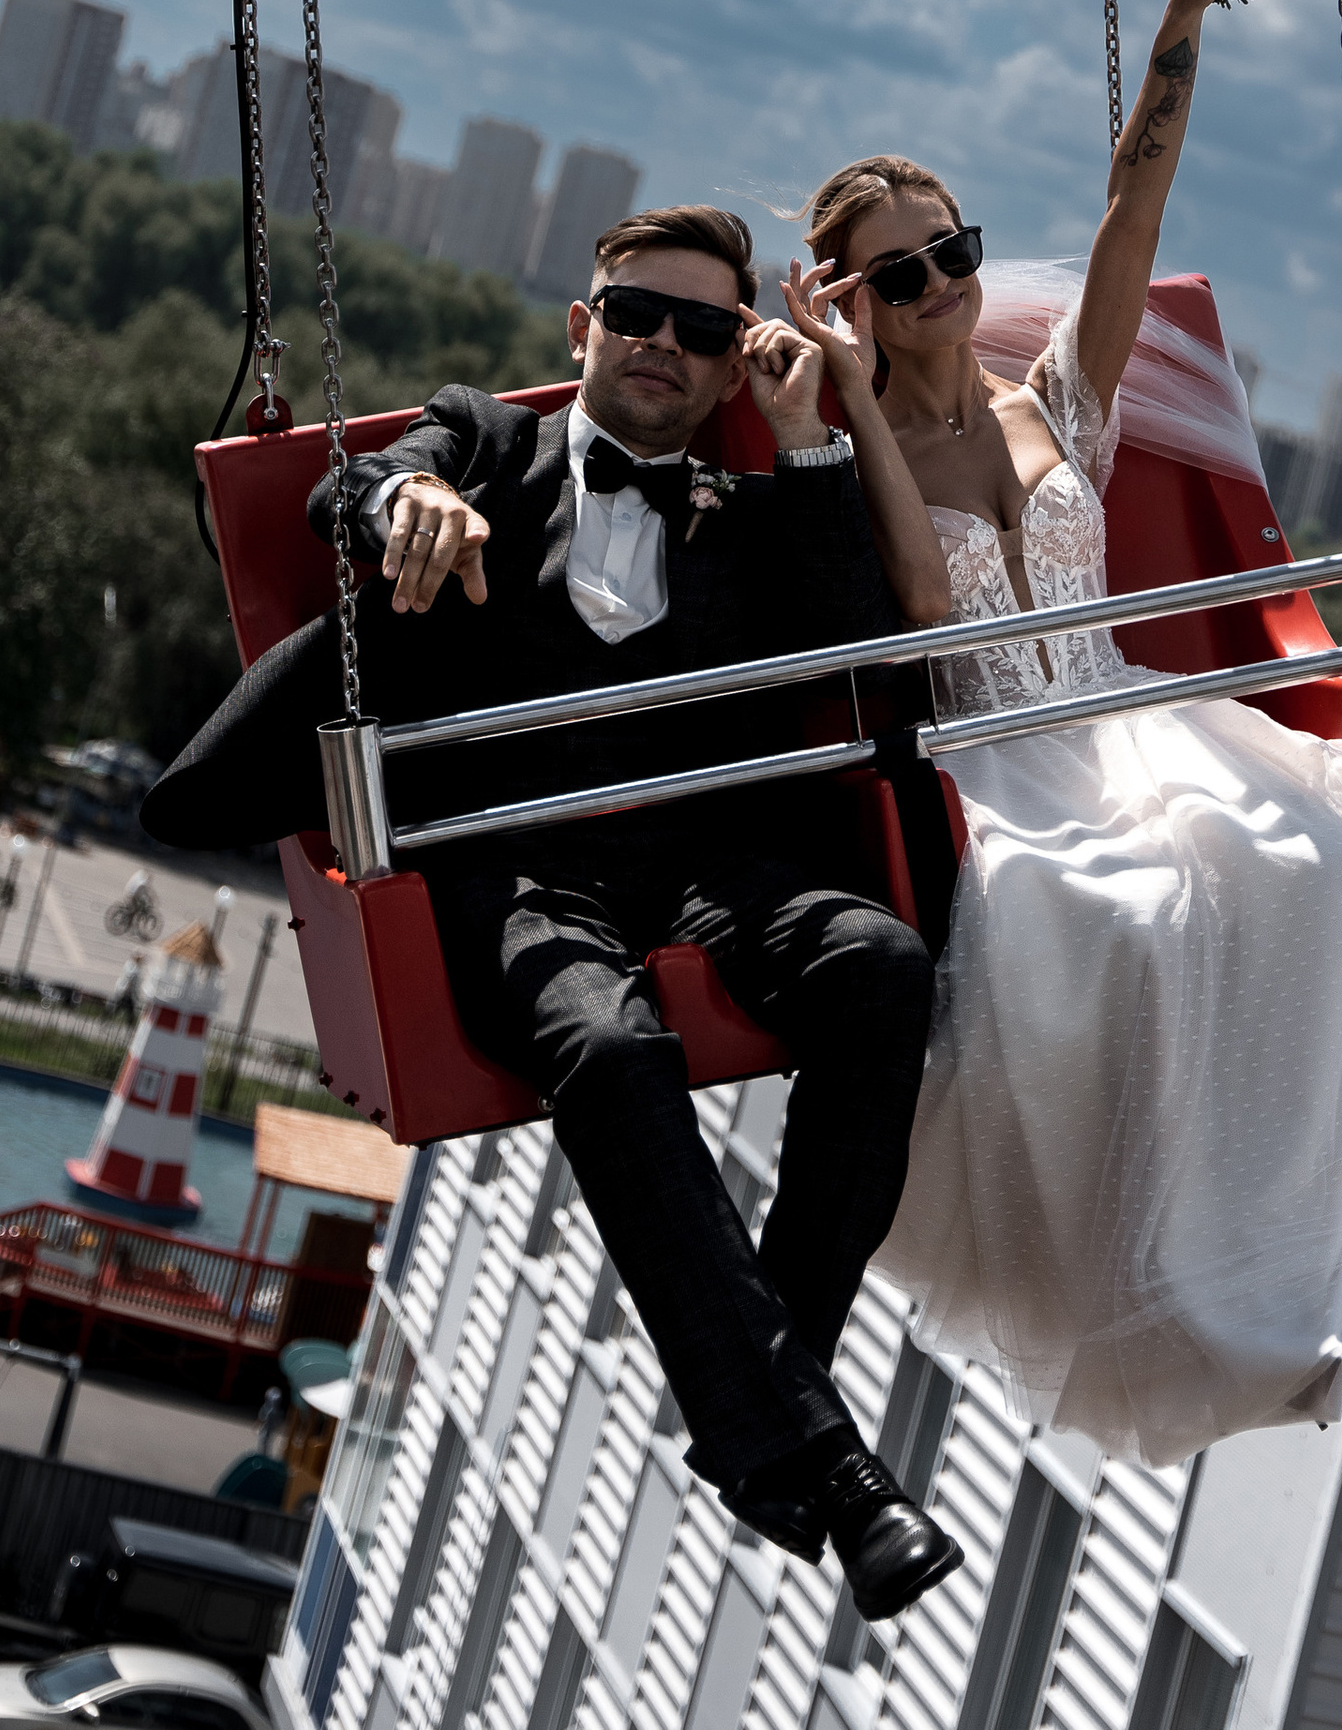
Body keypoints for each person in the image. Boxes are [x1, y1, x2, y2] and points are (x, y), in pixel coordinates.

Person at [796, 0, 1342, 1468]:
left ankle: (1279, 1270)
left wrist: (1179, 28)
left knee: (1325, 868)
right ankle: (1186, 1288)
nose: (942, 287)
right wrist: (853, 392)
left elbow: (1127, 218)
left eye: (952, 254)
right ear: (853, 302)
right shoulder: (853, 442)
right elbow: (928, 608)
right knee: (1138, 920)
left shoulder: (1053, 405)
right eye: (900, 276)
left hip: (1129, 715)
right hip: (1000, 755)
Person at [146, 205, 964, 1622]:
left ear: (726, 370)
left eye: (702, 330)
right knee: (617, 1049)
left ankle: (775, 1408)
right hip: (514, 869)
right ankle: (827, 1468)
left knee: (881, 966)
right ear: (581, 330)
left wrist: (808, 432)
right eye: (635, 315)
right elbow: (353, 491)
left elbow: (846, 642)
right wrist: (412, 500)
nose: (663, 344)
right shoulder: (486, 440)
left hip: (700, 867)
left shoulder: (742, 500)